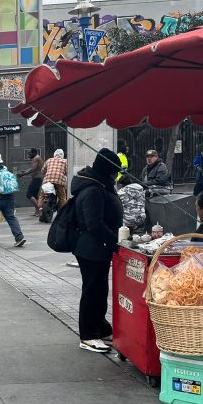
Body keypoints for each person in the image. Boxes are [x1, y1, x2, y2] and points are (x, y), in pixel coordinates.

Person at [71, 148, 124, 353]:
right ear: (107, 170)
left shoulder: (101, 184)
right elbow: (94, 224)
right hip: (90, 248)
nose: (116, 176)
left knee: (100, 290)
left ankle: (100, 328)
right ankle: (88, 335)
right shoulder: (93, 189)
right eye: (114, 172)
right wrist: (115, 242)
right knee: (92, 290)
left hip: (99, 248)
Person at [20, 148, 44, 217]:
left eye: (30, 153)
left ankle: (39, 211)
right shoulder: (37, 158)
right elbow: (33, 168)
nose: (28, 155)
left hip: (37, 179)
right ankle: (38, 211)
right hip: (37, 179)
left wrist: (23, 174)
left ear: (34, 153)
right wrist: (25, 171)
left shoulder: (36, 158)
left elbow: (33, 168)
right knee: (35, 196)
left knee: (29, 195)